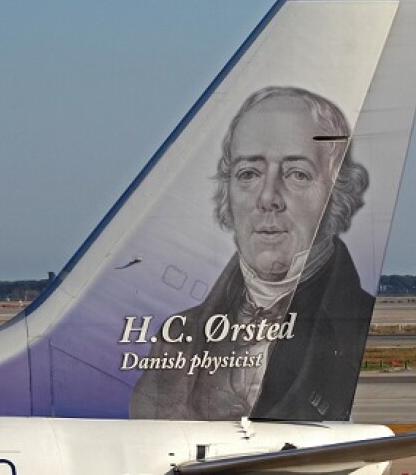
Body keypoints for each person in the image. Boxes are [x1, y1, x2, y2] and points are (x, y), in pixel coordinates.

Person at [130, 86, 373, 421]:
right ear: (227, 194)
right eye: (249, 174)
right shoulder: (176, 334)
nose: (268, 198)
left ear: (338, 193)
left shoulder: (356, 326)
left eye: (297, 174)